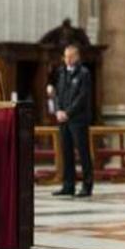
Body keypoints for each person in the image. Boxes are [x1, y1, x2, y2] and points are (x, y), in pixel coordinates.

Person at [51, 44, 94, 198]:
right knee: (66, 152)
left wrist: (68, 113)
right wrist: (58, 110)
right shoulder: (62, 73)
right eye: (65, 56)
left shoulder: (84, 73)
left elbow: (82, 97)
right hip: (63, 119)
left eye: (70, 56)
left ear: (77, 57)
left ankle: (87, 185)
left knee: (83, 152)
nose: (67, 60)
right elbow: (57, 94)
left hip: (78, 119)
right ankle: (68, 185)